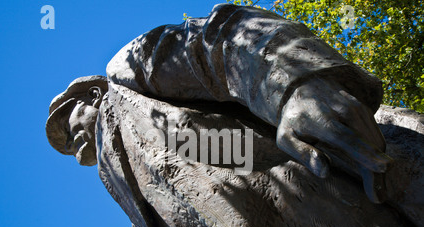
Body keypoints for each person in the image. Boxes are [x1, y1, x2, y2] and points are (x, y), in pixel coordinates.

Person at [47, 4, 392, 205]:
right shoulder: (123, 185)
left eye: (68, 120)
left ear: (92, 96)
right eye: (64, 143)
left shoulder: (124, 71)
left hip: (337, 154)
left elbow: (215, 40)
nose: (70, 139)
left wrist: (294, 88)